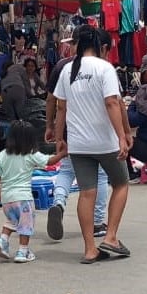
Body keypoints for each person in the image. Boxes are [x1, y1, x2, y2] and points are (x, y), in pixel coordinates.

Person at [54, 25, 131, 264]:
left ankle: (89, 249)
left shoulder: (67, 70)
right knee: (121, 184)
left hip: (78, 143)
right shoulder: (104, 68)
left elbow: (60, 107)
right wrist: (122, 135)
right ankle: (110, 237)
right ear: (99, 45)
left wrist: (59, 139)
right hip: (104, 142)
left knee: (87, 193)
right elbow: (112, 102)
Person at [44, 27, 110, 241]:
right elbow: (111, 102)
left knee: (66, 170)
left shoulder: (62, 67)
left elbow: (53, 100)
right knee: (99, 176)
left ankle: (59, 203)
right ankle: (98, 222)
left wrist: (51, 127)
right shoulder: (101, 67)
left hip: (70, 130)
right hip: (95, 132)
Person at [0, 121, 65, 263]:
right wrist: (62, 154)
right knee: (26, 224)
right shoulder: (30, 154)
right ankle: (22, 252)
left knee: (12, 221)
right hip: (23, 198)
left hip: (7, 198)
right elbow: (49, 161)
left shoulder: (2, 154)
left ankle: (3, 240)